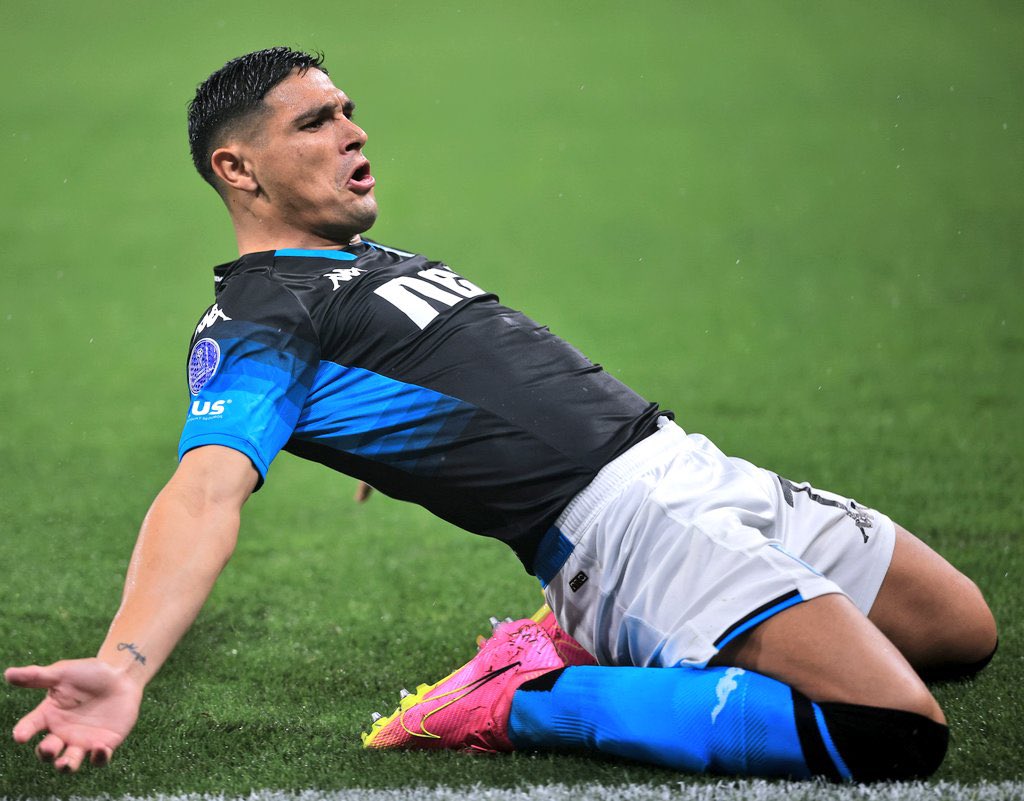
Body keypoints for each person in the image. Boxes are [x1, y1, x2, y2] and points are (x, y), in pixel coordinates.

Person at [5, 47, 997, 780]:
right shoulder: (256, 318)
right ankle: (522, 697)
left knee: (961, 632)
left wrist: (388, 446)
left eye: (348, 111)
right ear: (238, 169)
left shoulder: (351, 262)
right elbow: (203, 494)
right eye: (314, 123)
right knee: (893, 733)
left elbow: (435, 375)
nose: (353, 132)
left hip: (692, 467)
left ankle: (608, 644)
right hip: (630, 532)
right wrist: (126, 663)